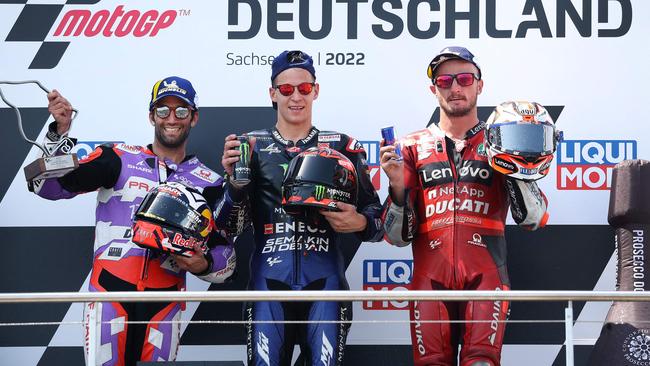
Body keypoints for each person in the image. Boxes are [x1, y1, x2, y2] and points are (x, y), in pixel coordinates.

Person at [31, 76, 236, 366]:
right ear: (152, 115)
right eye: (163, 110)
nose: (172, 119)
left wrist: (203, 264)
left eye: (181, 111)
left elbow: (226, 258)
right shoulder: (117, 158)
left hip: (165, 302)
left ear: (194, 117)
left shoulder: (210, 183)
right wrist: (58, 134)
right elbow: (46, 187)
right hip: (108, 294)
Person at [379, 47, 549, 366]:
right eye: (445, 81)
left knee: (481, 362)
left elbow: (535, 220)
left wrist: (520, 168)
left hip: (487, 275)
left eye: (464, 78)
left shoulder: (502, 138)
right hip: (429, 280)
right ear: (434, 89)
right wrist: (397, 188)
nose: (455, 87)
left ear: (479, 86)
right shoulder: (410, 147)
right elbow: (396, 237)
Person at [218, 50, 384, 365]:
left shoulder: (342, 146)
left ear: (316, 90)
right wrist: (234, 188)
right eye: (286, 89)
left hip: (326, 285)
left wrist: (359, 222)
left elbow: (377, 220)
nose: (296, 97)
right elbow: (227, 228)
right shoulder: (248, 146)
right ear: (272, 94)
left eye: (304, 88)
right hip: (268, 284)